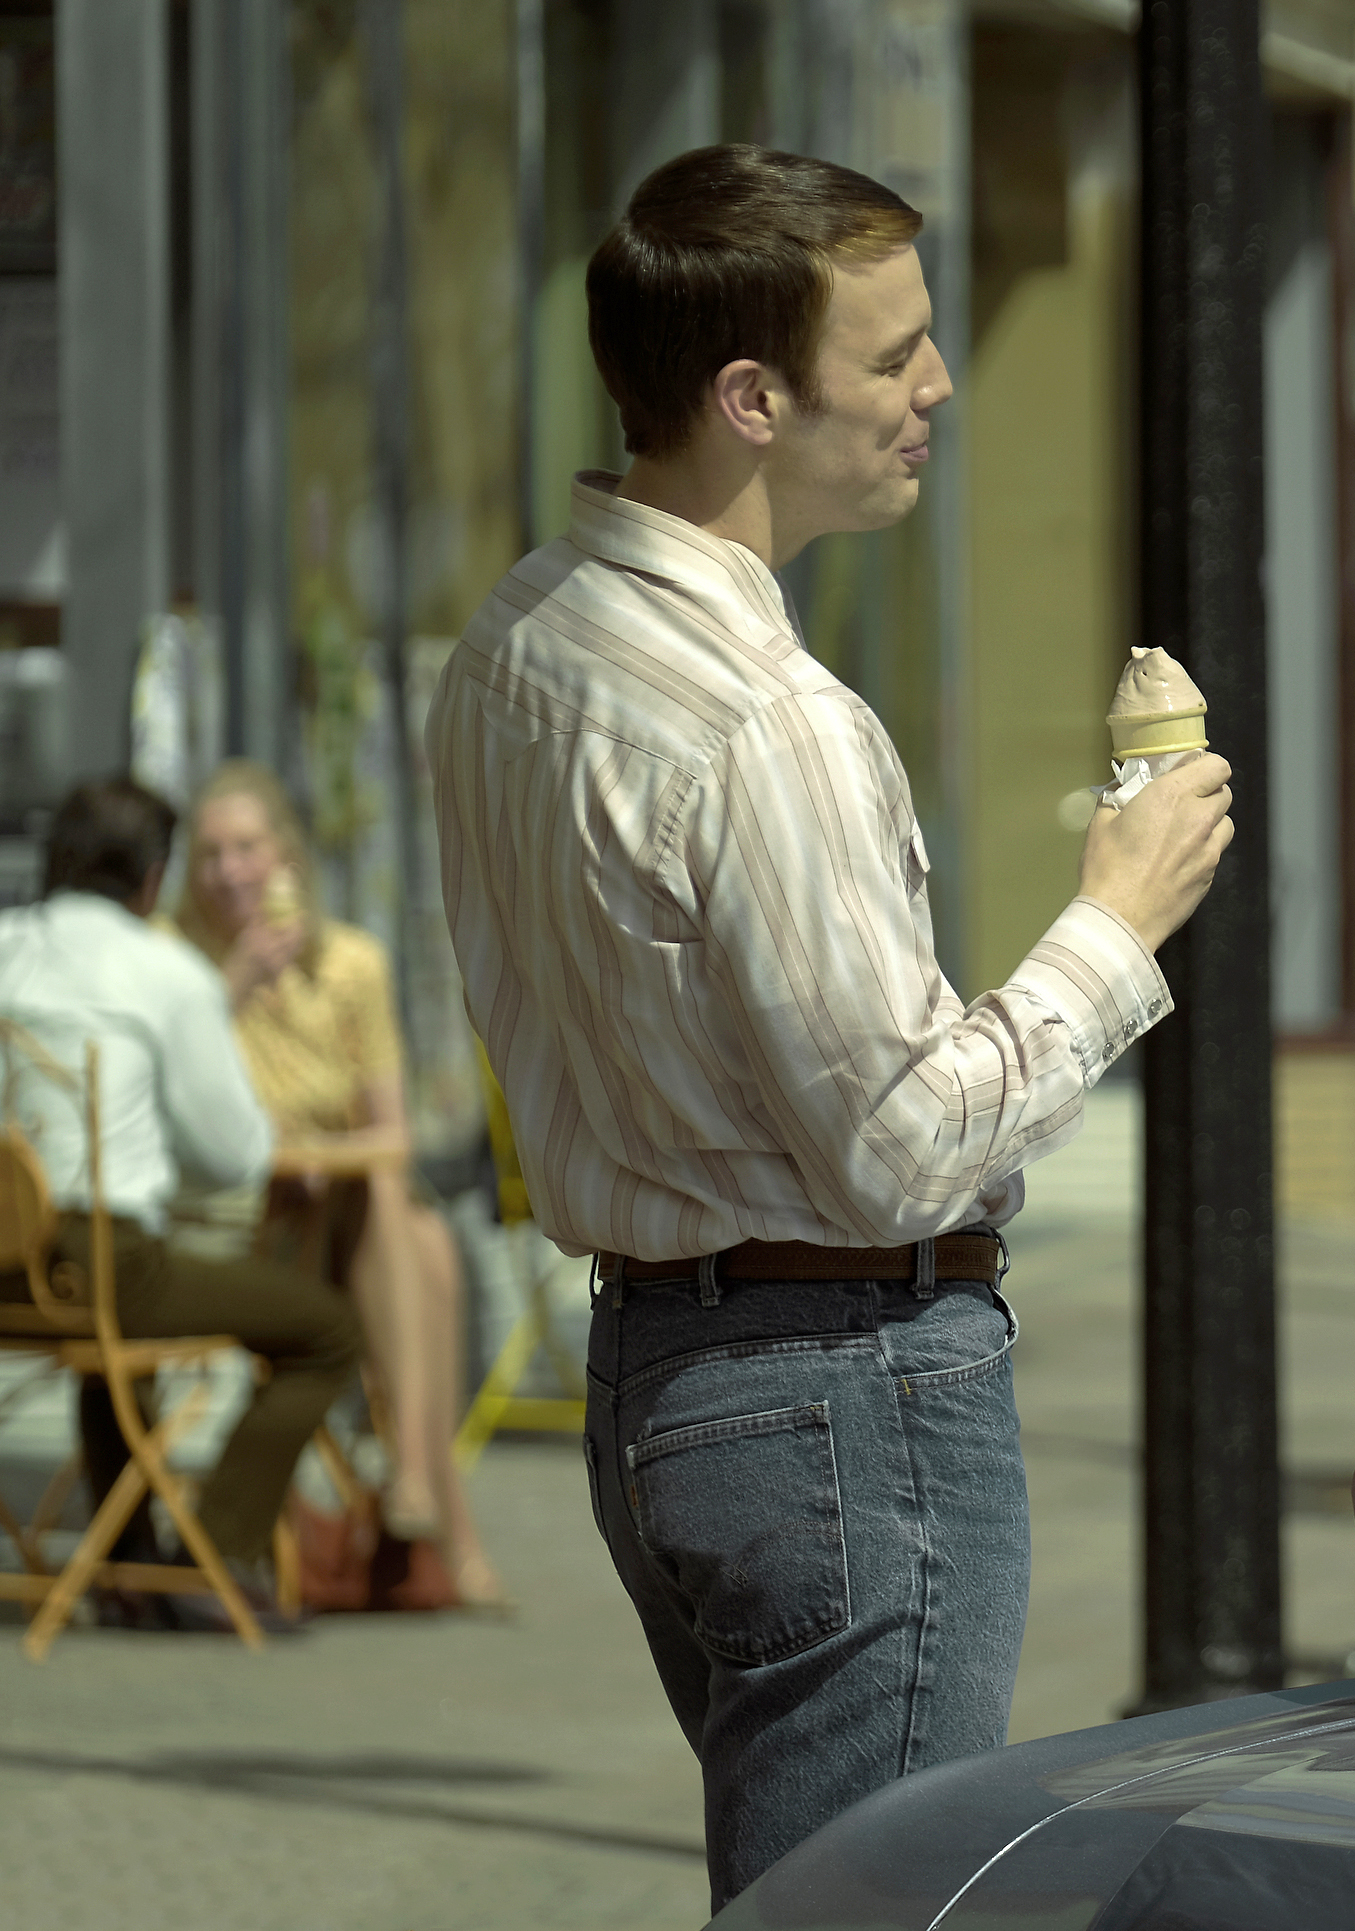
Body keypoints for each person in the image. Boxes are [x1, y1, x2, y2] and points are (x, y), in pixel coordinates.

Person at [428, 145, 1231, 1910]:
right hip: (841, 1381)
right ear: (747, 398)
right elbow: (905, 1147)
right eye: (894, 357)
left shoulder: (514, 645)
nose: (938, 387)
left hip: (665, 1371)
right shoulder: (770, 721)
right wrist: (1119, 914)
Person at [0, 778, 362, 1621]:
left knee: (114, 1349)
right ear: (153, 878)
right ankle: (217, 1551)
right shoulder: (165, 972)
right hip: (98, 1263)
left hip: (9, 1273)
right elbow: (235, 1156)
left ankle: (130, 1564)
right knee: (326, 1328)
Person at [168, 759, 500, 1608]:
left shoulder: (350, 963)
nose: (229, 870)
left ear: (285, 854)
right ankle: (435, 1508)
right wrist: (234, 986)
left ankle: (419, 1488)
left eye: (245, 846)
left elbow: (391, 1133)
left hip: (346, 1212)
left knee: (406, 1217)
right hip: (242, 1220)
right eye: (209, 853)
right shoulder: (181, 968)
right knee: (426, 1247)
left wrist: (334, 1157)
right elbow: (182, 1114)